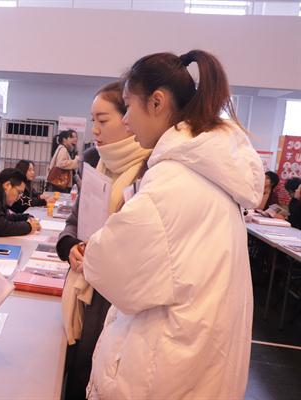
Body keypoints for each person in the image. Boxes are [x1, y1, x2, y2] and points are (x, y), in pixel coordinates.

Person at [82, 50, 263, 399]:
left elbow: (110, 265)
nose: (127, 121)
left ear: (157, 102)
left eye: (127, 106)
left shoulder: (173, 180)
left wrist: (94, 247)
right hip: (195, 353)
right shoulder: (209, 173)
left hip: (164, 365)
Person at [58, 81, 151, 400]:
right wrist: (69, 246)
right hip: (84, 288)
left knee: (94, 374)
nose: (94, 129)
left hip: (115, 300)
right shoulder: (97, 164)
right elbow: (74, 221)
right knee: (74, 370)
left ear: (128, 119)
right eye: (92, 120)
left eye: (103, 120)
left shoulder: (149, 173)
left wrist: (100, 253)